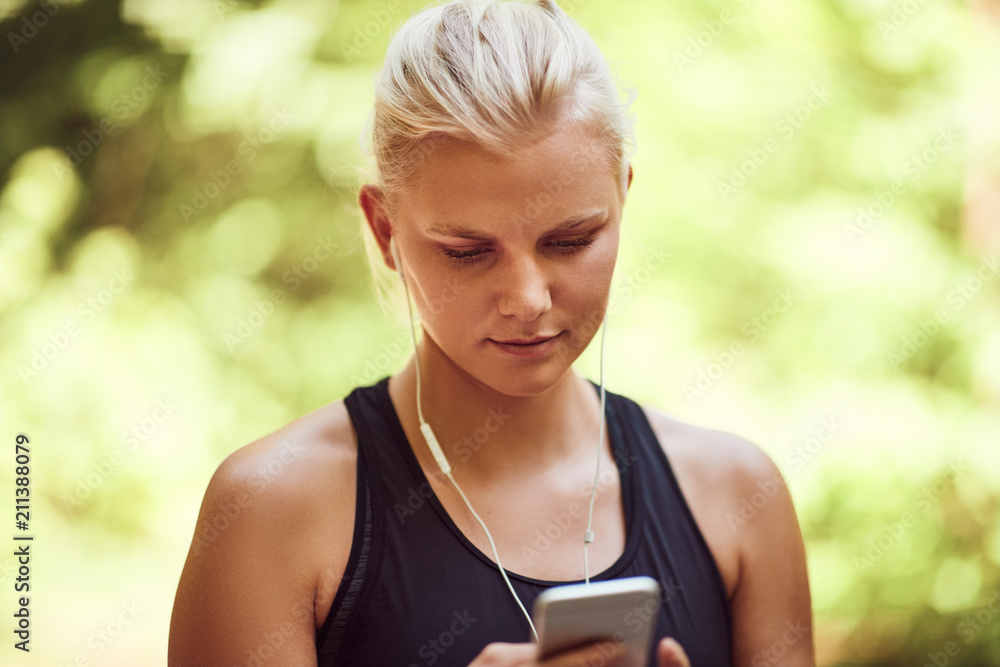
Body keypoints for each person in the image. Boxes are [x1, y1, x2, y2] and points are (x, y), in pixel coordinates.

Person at [168, 1, 815, 665]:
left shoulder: (737, 496)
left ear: (623, 198)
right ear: (385, 229)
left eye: (571, 239)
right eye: (467, 251)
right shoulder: (270, 513)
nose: (528, 299)